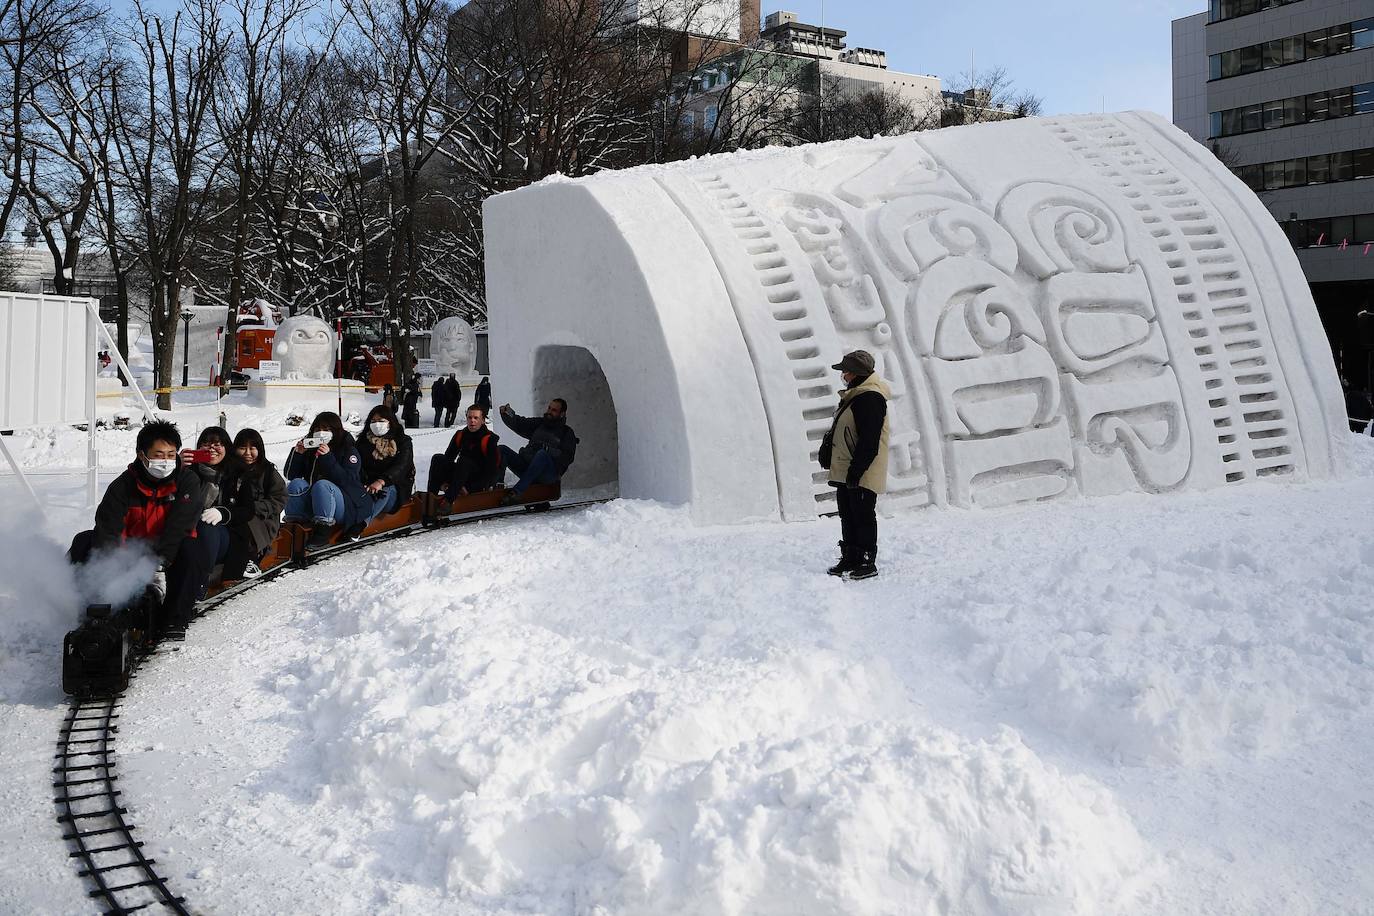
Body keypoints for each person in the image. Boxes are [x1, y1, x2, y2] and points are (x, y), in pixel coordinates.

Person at [67, 419, 203, 630]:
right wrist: (112, 567)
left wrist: (159, 563)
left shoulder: (187, 482)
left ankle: (174, 620)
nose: (165, 461)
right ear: (142, 455)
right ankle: (89, 612)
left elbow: (180, 526)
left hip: (169, 551)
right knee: (83, 541)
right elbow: (109, 529)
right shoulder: (122, 487)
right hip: (130, 550)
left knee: (192, 548)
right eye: (159, 455)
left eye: (170, 455)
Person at [820, 350, 889, 580]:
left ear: (855, 373)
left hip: (860, 470)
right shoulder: (854, 396)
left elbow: (869, 440)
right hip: (847, 468)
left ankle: (867, 561)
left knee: (862, 515)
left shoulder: (870, 398)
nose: (843, 375)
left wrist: (857, 470)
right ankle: (850, 557)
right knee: (848, 514)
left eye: (845, 371)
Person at [283, 411, 372, 550]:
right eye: (317, 429)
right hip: (315, 503)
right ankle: (295, 524)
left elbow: (349, 482)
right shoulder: (311, 448)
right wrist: (298, 455)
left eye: (326, 429)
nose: (321, 433)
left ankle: (323, 531)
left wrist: (328, 457)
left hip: (344, 505)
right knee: (296, 484)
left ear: (336, 431)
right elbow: (290, 474)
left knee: (322, 485)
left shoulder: (348, 450)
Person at [218, 427, 287, 580]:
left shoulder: (268, 472)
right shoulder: (230, 470)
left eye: (252, 448)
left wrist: (254, 507)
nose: (248, 453)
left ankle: (250, 557)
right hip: (234, 513)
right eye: (242, 448)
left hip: (263, 518)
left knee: (245, 519)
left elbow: (279, 498)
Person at [426, 405, 502, 517]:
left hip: (476, 479)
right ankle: (430, 498)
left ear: (483, 420)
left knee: (465, 461)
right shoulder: (461, 435)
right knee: (438, 458)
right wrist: (443, 481)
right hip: (460, 476)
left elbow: (492, 471)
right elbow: (448, 459)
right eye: (469, 417)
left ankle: (448, 502)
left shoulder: (489, 439)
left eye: (476, 418)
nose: (472, 421)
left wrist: (470, 488)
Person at [497, 398, 577, 505]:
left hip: (548, 475)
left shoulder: (567, 432)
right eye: (549, 408)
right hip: (528, 466)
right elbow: (520, 423)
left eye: (554, 410)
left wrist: (547, 449)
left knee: (542, 454)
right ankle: (498, 487)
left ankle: (516, 493)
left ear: (562, 414)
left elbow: (567, 457)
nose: (549, 411)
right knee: (502, 449)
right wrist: (507, 413)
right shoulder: (540, 424)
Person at [187, 426, 238, 587]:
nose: (212, 449)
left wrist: (223, 513)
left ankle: (201, 581)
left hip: (222, 537)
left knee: (207, 526)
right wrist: (177, 467)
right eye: (206, 444)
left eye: (218, 444)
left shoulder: (236, 474)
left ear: (226, 448)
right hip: (188, 532)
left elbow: (247, 510)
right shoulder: (188, 472)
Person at [356, 405, 415, 534]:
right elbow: (357, 466)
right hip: (367, 488)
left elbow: (402, 466)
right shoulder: (362, 442)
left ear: (390, 422)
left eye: (381, 421)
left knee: (384, 490)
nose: (377, 424)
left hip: (395, 488)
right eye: (373, 421)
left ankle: (360, 525)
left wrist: (382, 481)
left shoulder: (403, 441)